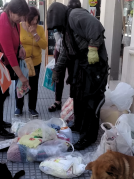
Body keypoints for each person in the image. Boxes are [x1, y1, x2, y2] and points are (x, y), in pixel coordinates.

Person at [47, 3, 109, 150]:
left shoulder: (75, 15)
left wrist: (93, 48)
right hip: (81, 64)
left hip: (94, 64)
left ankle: (88, 137)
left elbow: (96, 27)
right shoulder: (65, 27)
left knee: (90, 101)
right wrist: (57, 70)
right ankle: (79, 125)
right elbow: (65, 51)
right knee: (78, 96)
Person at [0, 0, 29, 138]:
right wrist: (21, 77)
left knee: (3, 94)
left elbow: (17, 40)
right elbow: (9, 54)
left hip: (4, 64)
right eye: (20, 15)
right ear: (11, 12)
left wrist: (21, 47)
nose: (22, 19)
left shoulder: (14, 23)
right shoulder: (2, 23)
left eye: (23, 16)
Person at [48, 0, 81, 112]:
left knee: (73, 77)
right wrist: (59, 45)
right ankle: (57, 101)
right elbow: (56, 32)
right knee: (58, 76)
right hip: (61, 49)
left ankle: (71, 102)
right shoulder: (61, 17)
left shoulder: (76, 19)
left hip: (72, 53)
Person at [15, 6, 47, 116]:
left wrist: (35, 34)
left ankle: (32, 108)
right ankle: (19, 107)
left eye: (36, 20)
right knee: (20, 84)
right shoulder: (18, 27)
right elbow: (15, 42)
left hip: (36, 62)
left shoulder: (40, 29)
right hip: (23, 62)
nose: (34, 22)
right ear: (27, 18)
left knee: (33, 85)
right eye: (32, 19)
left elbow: (44, 46)